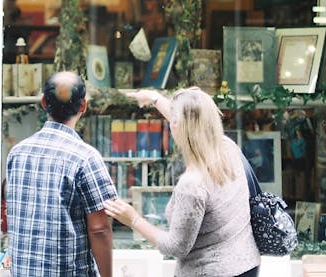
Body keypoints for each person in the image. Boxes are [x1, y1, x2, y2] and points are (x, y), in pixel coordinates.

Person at [104, 87, 260, 277]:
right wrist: (155, 99)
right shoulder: (228, 147)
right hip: (247, 266)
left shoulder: (192, 184)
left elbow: (176, 246)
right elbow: (191, 120)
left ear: (176, 125)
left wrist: (133, 219)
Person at [6, 71, 117, 277]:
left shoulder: (17, 153)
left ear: (43, 103)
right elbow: (100, 228)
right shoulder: (85, 157)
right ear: (83, 106)